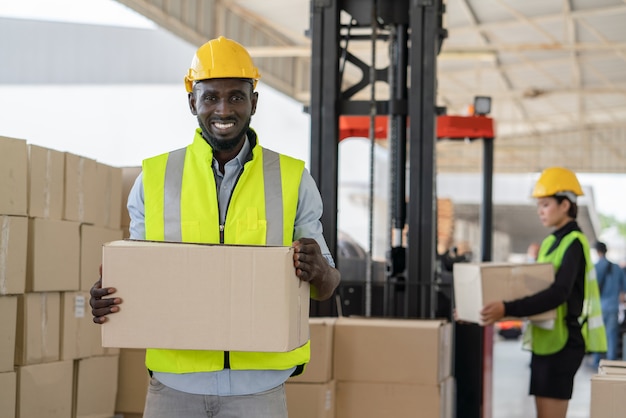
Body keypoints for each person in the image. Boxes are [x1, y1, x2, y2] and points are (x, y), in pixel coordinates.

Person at [89, 36, 341, 418]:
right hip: (175, 386)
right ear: (193, 102)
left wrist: (319, 270)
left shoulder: (292, 178)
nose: (223, 108)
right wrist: (110, 298)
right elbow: (136, 274)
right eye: (210, 97)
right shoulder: (155, 178)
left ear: (253, 102)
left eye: (236, 97)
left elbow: (327, 286)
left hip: (259, 390)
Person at [480, 166, 606, 418]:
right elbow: (531, 286)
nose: (540, 211)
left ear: (566, 205)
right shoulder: (550, 242)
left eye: (546, 204)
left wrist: (508, 308)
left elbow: (558, 292)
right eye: (539, 205)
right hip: (545, 340)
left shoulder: (575, 243)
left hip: (563, 343)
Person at [592, 241, 626, 368]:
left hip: (598, 307)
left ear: (597, 251)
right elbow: (624, 288)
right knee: (611, 335)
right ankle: (610, 363)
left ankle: (597, 362)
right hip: (613, 306)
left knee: (597, 335)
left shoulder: (595, 267)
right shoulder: (617, 267)